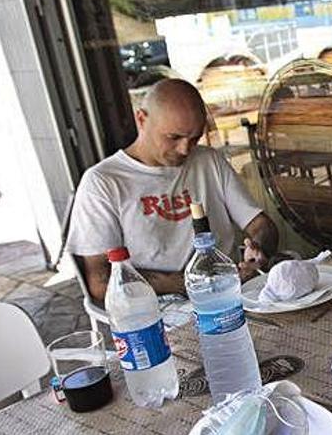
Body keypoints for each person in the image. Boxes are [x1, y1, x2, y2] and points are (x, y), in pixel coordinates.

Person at [67, 79, 281, 303]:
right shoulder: (104, 182)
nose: (185, 149)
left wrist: (259, 250)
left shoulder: (208, 160)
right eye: (174, 137)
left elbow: (261, 226)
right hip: (158, 306)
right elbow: (100, 282)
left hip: (230, 293)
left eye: (194, 138)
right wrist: (186, 283)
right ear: (141, 120)